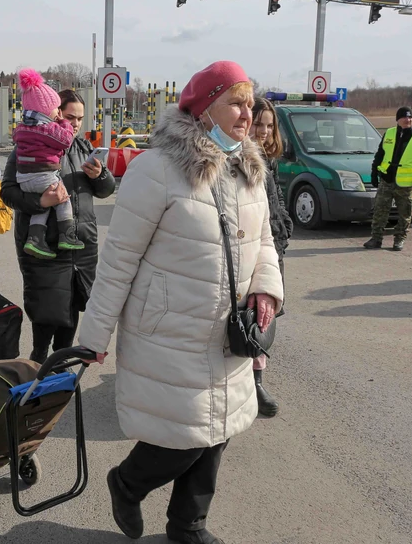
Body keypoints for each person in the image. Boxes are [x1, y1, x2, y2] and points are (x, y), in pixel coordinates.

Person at [77, 61, 283, 544]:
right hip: (170, 333)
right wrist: (94, 337)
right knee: (183, 438)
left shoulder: (248, 167)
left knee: (219, 431)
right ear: (203, 106)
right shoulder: (156, 170)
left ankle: (188, 525)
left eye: (250, 104)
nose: (246, 114)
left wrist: (266, 289)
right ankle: (126, 484)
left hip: (229, 331)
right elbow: (118, 261)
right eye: (235, 102)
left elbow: (266, 241)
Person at [1, 88, 115, 364]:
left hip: (80, 245)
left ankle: (61, 363)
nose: (76, 124)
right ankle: (39, 360)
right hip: (44, 247)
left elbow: (106, 190)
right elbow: (8, 192)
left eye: (80, 118)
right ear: (55, 114)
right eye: (70, 116)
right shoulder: (28, 146)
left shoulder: (83, 148)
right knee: (47, 310)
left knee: (72, 308)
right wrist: (42, 200)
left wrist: (101, 176)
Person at [249, 97, 294, 418]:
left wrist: (284, 227)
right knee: (247, 320)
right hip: (249, 252)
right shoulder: (236, 160)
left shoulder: (269, 160)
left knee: (265, 320)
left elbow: (274, 201)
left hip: (272, 249)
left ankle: (257, 380)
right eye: (258, 123)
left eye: (269, 125)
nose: (264, 131)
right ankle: (249, 383)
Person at [11, 68, 84, 258]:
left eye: (79, 119)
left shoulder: (22, 129)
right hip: (43, 173)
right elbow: (66, 140)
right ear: (46, 110)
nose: (59, 113)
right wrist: (62, 123)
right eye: (58, 110)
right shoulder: (47, 129)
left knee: (44, 204)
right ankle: (67, 235)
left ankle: (35, 239)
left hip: (25, 177)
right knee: (62, 199)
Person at [364, 106, 412, 252]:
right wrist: (374, 173)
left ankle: (399, 239)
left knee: (405, 213)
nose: (408, 120)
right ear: (398, 120)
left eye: (410, 117)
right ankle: (376, 239)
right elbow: (380, 155)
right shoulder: (389, 133)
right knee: (380, 211)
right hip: (387, 180)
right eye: (404, 117)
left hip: (406, 184)